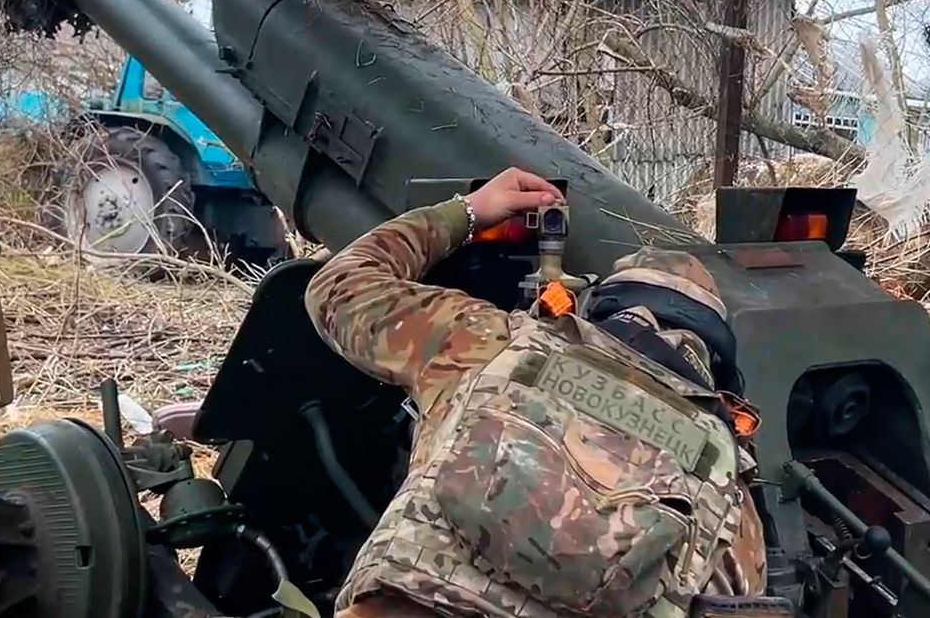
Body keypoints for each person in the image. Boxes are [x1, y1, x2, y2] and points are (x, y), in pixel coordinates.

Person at [305, 167, 775, 618]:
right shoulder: (729, 496)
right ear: (714, 361)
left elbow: (337, 286)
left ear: (600, 308)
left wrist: (468, 212)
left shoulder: (486, 343)